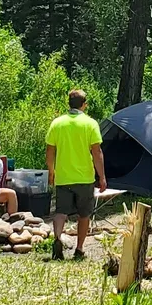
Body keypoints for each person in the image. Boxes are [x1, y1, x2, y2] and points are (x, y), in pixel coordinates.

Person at [44, 87, 106, 261]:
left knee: (60, 212)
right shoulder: (90, 123)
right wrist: (101, 177)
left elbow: (50, 151)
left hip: (63, 176)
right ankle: (79, 249)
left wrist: (51, 171)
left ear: (69, 104)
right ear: (84, 105)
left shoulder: (57, 123)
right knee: (84, 214)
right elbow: (97, 152)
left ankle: (57, 239)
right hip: (84, 177)